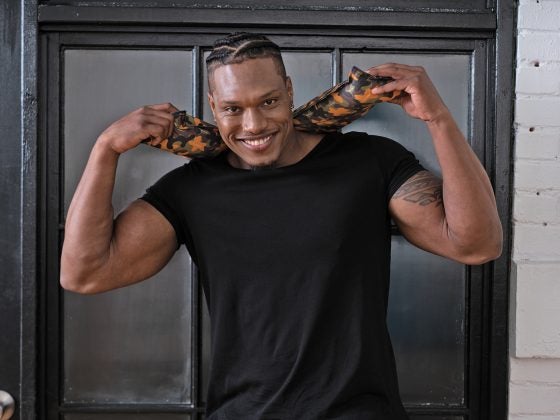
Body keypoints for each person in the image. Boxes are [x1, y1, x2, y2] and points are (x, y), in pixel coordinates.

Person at [60, 32, 502, 419]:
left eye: (268, 102)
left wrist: (438, 119)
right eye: (233, 109)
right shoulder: (192, 188)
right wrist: (105, 150)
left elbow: (475, 244)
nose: (253, 125)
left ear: (289, 90)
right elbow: (84, 273)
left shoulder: (368, 161)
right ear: (213, 106)